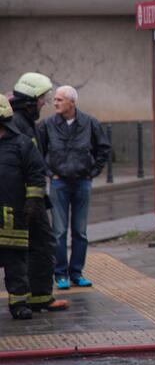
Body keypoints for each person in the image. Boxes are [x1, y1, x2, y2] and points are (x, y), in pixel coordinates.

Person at [38, 85, 110, 290]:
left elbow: (103, 148)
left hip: (82, 182)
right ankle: (60, 274)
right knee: (58, 231)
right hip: (59, 183)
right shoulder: (47, 125)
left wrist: (92, 172)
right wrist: (51, 173)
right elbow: (38, 152)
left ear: (72, 102)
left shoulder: (89, 123)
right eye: (55, 100)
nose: (55, 103)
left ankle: (76, 273)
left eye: (60, 100)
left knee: (80, 231)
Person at [9, 73, 70, 311]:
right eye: (41, 99)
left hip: (29, 200)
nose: (44, 103)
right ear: (30, 101)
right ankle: (36, 298)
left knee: (40, 245)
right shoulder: (19, 125)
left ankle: (39, 297)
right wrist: (32, 201)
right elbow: (26, 165)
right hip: (26, 201)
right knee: (40, 245)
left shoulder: (23, 122)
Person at [0, 94, 48, 320]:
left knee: (16, 264)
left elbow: (37, 176)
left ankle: (19, 305)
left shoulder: (21, 145)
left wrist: (33, 203)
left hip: (15, 218)